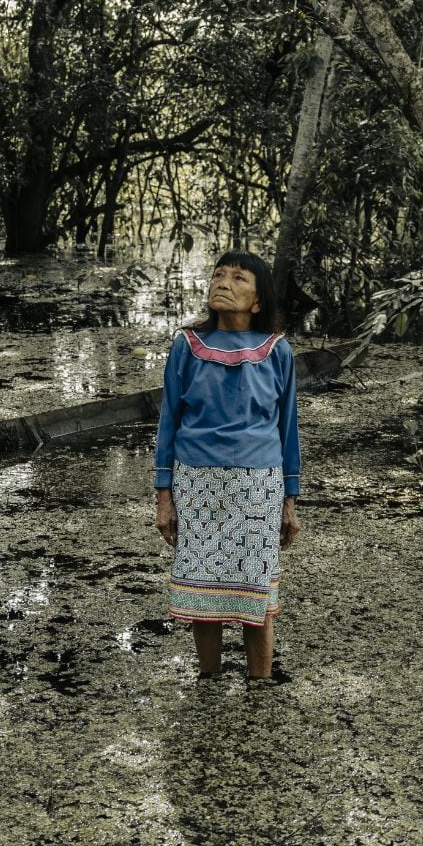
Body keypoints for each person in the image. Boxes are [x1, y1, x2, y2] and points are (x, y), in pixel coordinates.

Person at [152, 250, 302, 679]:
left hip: (259, 489)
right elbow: (169, 423)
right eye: (219, 274)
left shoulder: (277, 351)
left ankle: (260, 686)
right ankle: (209, 681)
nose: (223, 282)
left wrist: (290, 501)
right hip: (196, 485)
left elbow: (288, 429)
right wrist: (164, 497)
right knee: (203, 595)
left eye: (239, 278)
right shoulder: (187, 346)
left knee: (256, 597)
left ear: (258, 301)